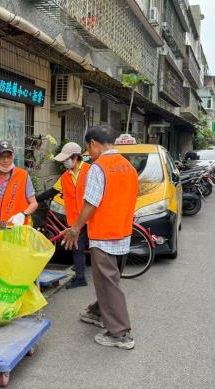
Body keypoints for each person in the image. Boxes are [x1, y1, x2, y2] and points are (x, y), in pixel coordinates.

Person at [62, 126, 139, 350]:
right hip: (123, 234)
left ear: (94, 144)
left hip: (104, 235)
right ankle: (97, 312)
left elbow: (91, 203)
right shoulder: (128, 167)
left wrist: (75, 228)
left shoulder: (99, 168)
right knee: (108, 280)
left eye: (88, 148)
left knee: (108, 283)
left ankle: (120, 333)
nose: (89, 153)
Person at [52, 142, 91, 289]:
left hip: (92, 217)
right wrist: (34, 199)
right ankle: (80, 276)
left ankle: (81, 277)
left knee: (85, 247)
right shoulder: (65, 176)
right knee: (78, 247)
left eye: (66, 159)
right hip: (76, 219)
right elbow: (53, 191)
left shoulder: (90, 170)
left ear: (75, 157)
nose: (64, 163)